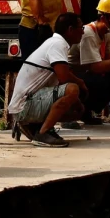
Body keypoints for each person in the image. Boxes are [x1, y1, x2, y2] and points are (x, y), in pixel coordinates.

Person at [7, 13, 86, 148]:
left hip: (26, 103)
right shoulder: (57, 44)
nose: (83, 32)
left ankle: (35, 127)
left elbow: (62, 75)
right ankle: (43, 133)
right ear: (70, 29)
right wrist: (80, 85)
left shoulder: (55, 43)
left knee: (76, 110)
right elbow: (64, 78)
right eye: (81, 28)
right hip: (24, 106)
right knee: (73, 89)